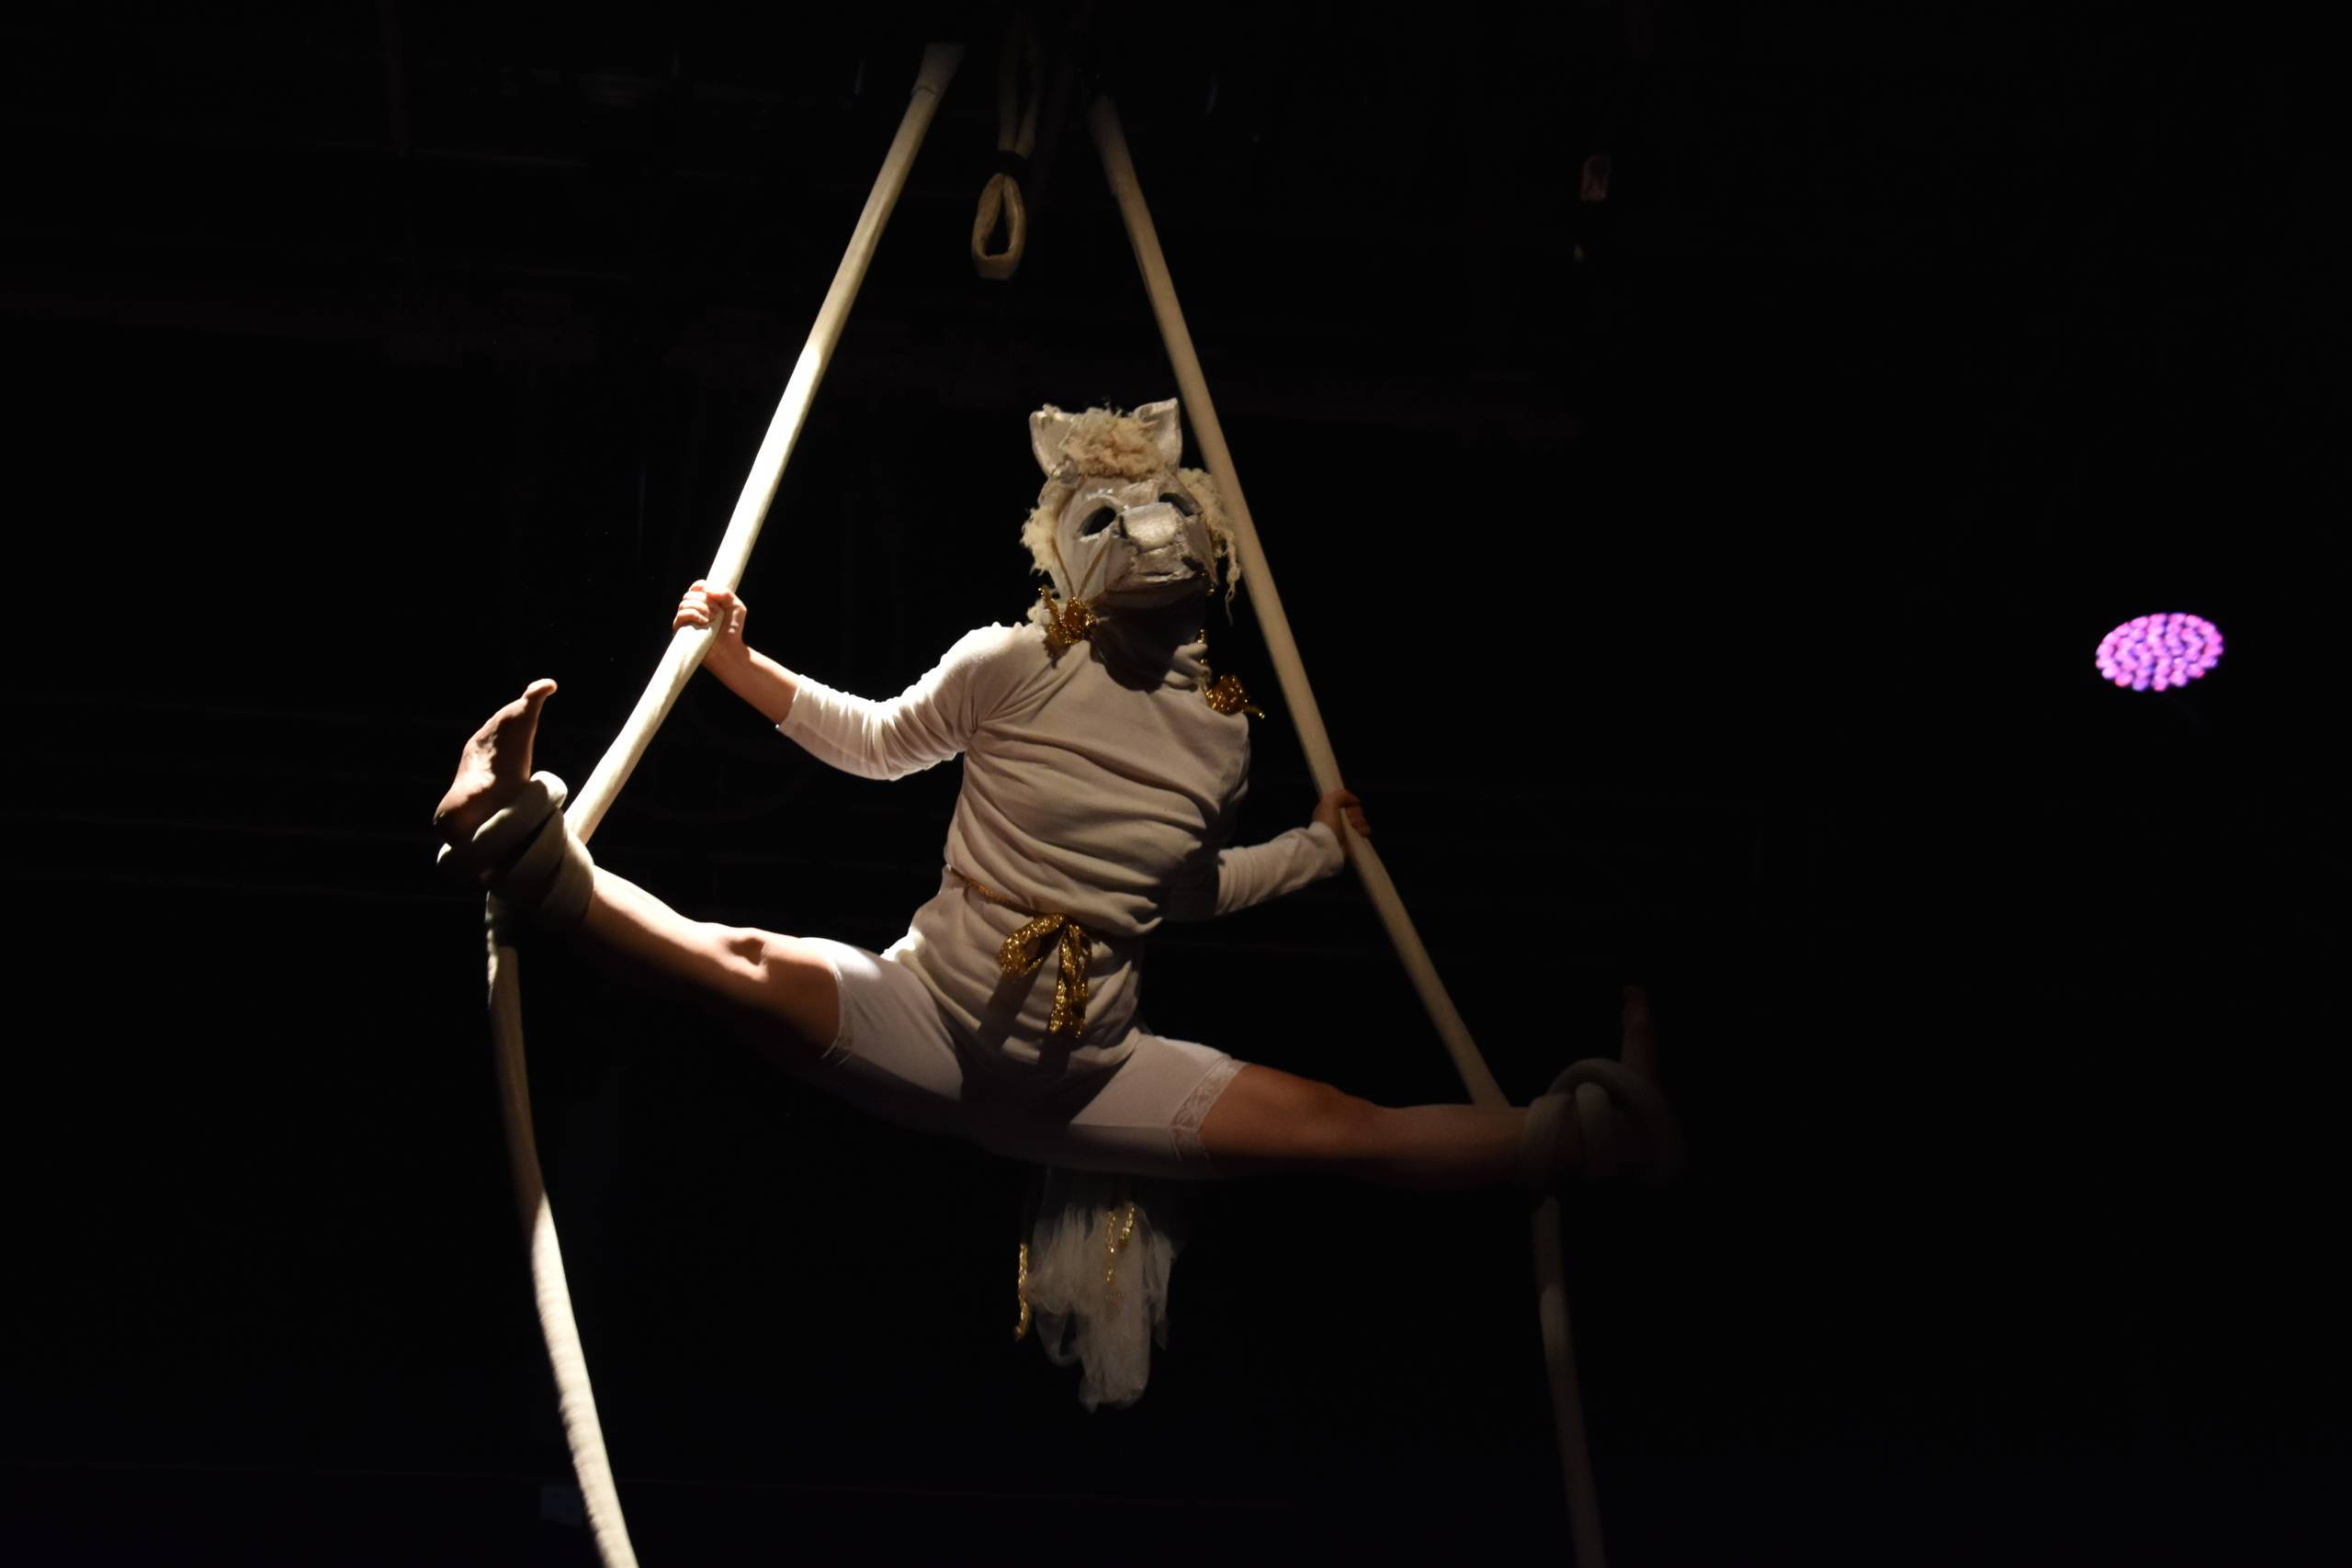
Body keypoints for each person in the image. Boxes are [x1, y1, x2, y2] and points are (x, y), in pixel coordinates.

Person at [435, 399, 1679, 1404]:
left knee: (1337, 1126)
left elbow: (1184, 892)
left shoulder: (1218, 741)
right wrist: (737, 662)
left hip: (1090, 1074)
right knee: (745, 964)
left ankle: (1585, 1140)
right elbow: (874, 742)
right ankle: (525, 858)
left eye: (1161, 509)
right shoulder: (1013, 665)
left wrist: (1314, 853)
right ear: (1068, 547)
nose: (1143, 531)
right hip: (934, 1020)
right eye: (1110, 513)